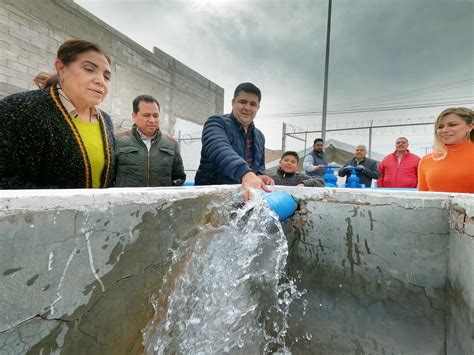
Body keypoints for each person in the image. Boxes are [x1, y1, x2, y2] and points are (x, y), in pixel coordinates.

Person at [0, 39, 115, 189]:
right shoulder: (19, 108)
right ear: (61, 69)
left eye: (107, 77)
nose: (101, 81)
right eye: (89, 69)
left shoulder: (105, 121)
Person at [195, 82, 274, 200]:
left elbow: (259, 167)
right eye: (243, 102)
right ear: (233, 102)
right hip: (210, 200)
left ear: (258, 107)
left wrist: (260, 176)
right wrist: (245, 173)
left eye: (252, 104)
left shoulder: (259, 136)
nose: (247, 107)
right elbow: (220, 149)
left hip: (242, 201)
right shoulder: (216, 123)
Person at [114, 95, 186, 187]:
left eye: (156, 116)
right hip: (128, 201)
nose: (152, 120)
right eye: (146, 115)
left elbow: (178, 178)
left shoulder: (171, 144)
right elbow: (109, 177)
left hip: (161, 201)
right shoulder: (118, 141)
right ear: (134, 116)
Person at [418, 107, 474, 193]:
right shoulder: (427, 160)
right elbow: (422, 199)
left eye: (452, 125)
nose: (445, 130)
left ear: (470, 127)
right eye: (440, 127)